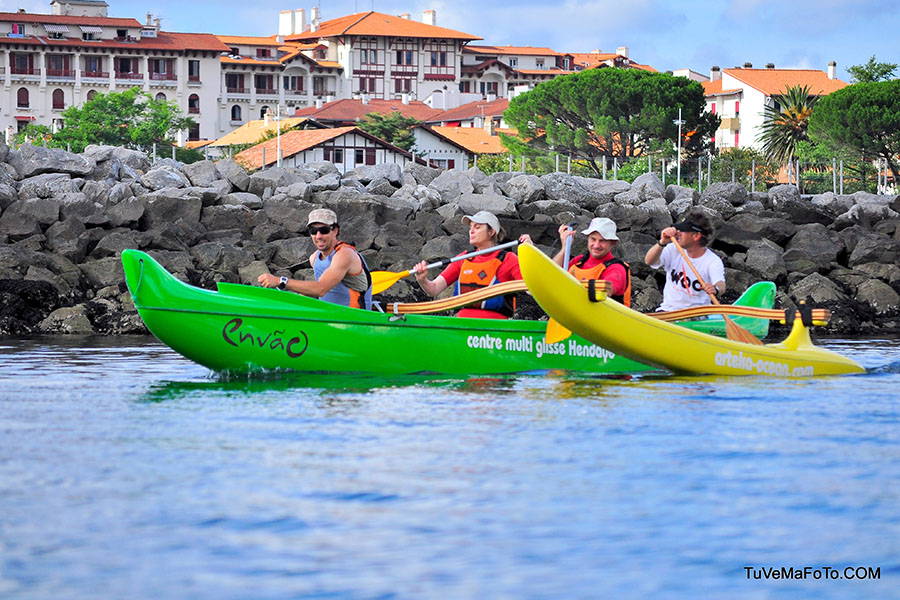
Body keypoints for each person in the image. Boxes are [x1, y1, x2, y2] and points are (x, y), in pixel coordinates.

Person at [413, 210, 523, 319]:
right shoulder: (463, 258)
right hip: (463, 326)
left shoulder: (509, 260)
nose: (471, 231)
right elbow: (434, 289)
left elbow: (531, 289)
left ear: (491, 232)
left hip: (495, 331)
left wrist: (530, 252)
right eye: (471, 227)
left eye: (477, 227)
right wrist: (423, 280)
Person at [258, 208, 373, 310]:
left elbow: (321, 289)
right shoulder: (314, 258)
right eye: (313, 231)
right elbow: (315, 291)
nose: (318, 236)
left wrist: (280, 281)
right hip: (327, 319)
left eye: (324, 230)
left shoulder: (345, 255)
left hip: (354, 323)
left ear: (335, 231)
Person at [522, 217, 631, 306]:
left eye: (602, 241)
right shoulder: (578, 262)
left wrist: (569, 287)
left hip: (601, 322)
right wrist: (565, 248)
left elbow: (608, 289)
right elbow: (549, 275)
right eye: (593, 239)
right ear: (588, 239)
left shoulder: (616, 268)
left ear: (612, 243)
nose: (596, 245)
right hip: (569, 322)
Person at [644, 209, 724, 311]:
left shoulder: (712, 261)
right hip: (668, 311)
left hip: (696, 315)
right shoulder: (673, 248)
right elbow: (649, 261)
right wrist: (662, 242)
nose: (678, 233)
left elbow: (721, 284)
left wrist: (715, 289)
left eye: (683, 231)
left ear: (696, 236)